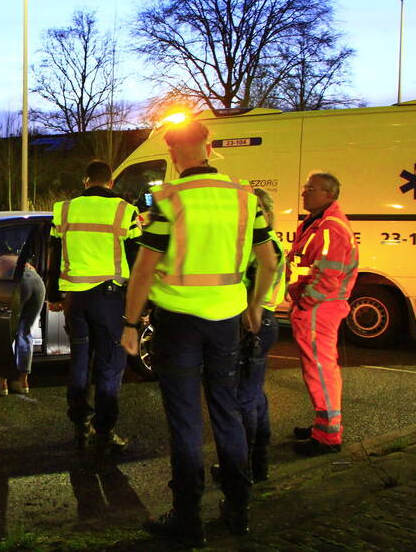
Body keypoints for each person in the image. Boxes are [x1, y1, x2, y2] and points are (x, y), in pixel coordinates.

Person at [122, 119, 276, 545]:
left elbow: (143, 270)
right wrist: (255, 305)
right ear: (209, 146)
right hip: (227, 321)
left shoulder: (171, 201)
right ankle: (239, 508)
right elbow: (269, 260)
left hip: (177, 324)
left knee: (186, 419)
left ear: (172, 153)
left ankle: (188, 518)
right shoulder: (245, 199)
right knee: (227, 411)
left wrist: (131, 325)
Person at [46, 160, 141, 452]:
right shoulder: (126, 211)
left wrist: (53, 295)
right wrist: (140, 305)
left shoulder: (64, 209)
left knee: (79, 362)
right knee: (110, 366)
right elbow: (136, 259)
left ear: (85, 181)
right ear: (110, 182)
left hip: (75, 299)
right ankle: (105, 429)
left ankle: (80, 423)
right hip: (109, 299)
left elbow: (54, 254)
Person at [212, 188, 286, 484]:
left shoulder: (263, 246)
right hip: (265, 322)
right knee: (255, 397)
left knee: (243, 398)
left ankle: (241, 469)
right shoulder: (268, 243)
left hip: (254, 322)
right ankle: (258, 464)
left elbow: (250, 288)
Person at [288, 172, 358, 456]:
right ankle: (323, 424)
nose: (304, 192)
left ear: (329, 195)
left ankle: (328, 437)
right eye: (305, 187)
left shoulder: (330, 227)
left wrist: (306, 303)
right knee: (319, 370)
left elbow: (328, 275)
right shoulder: (319, 223)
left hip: (318, 310)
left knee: (320, 371)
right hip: (318, 308)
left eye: (311, 188)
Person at [0, 234, 45, 396]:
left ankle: (2, 382)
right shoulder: (16, 257)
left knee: (7, 333)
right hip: (37, 283)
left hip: (19, 283)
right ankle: (22, 381)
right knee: (25, 331)